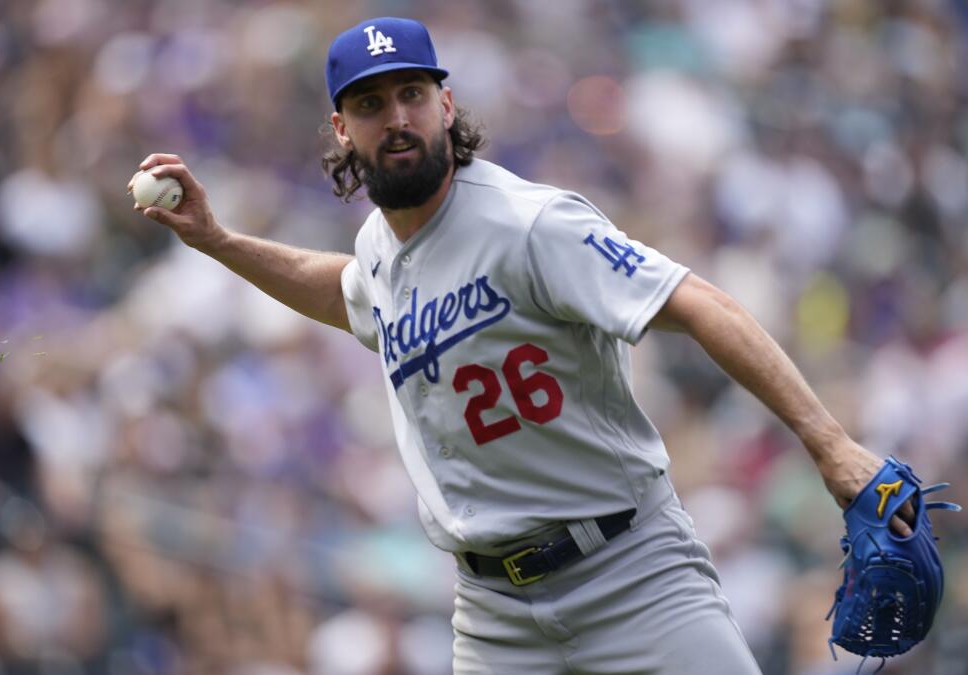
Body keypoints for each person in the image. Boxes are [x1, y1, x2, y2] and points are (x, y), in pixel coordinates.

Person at [131, 16, 914, 675]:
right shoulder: (378, 246)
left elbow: (700, 302)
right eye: (371, 103)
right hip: (494, 613)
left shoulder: (529, 223)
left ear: (446, 102)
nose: (397, 117)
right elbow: (344, 290)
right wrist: (221, 241)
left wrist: (829, 442)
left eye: (412, 93)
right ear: (342, 128)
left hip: (632, 574)